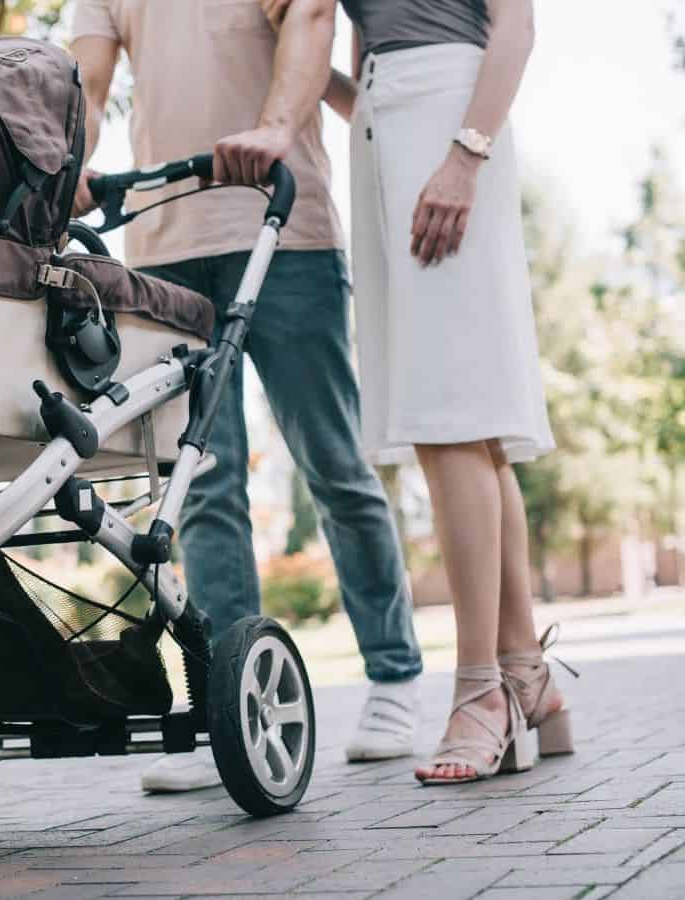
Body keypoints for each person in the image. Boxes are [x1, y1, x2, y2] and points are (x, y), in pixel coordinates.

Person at [70, 0, 425, 792]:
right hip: (166, 248)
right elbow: (88, 85)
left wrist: (271, 128)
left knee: (332, 462)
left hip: (283, 228)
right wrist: (75, 165)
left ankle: (395, 677)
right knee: (203, 485)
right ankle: (234, 712)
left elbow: (309, 21)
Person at [218, 0, 571, 785]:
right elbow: (368, 61)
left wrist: (465, 156)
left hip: (451, 124)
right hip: (384, 125)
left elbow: (514, 27)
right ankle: (526, 677)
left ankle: (480, 688)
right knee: (468, 425)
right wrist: (325, 76)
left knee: (452, 416)